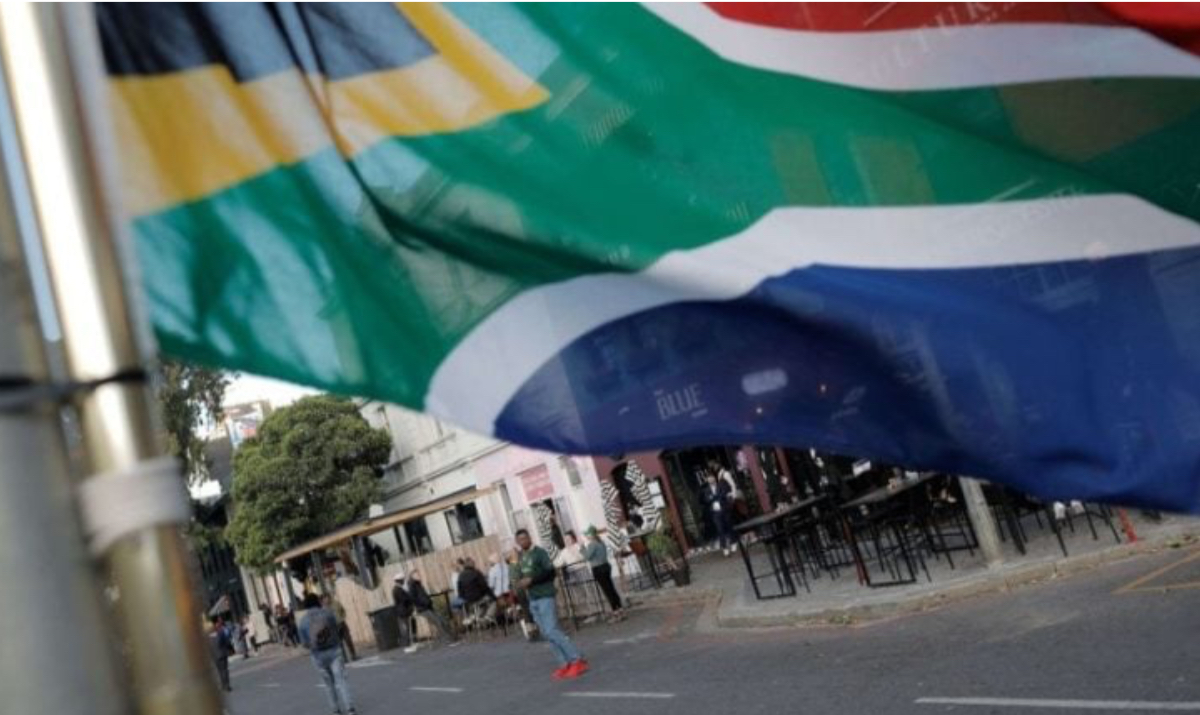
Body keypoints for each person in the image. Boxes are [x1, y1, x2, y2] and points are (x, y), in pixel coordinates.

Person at [514, 528, 588, 679]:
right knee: (547, 634)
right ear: (517, 542)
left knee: (552, 630)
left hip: (545, 596)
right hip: (533, 598)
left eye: (525, 538)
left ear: (529, 538)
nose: (523, 541)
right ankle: (564, 663)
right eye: (520, 539)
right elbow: (520, 576)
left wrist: (532, 580)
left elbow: (551, 572)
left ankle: (576, 659)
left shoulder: (539, 553)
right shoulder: (521, 557)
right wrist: (520, 581)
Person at [298, 593, 357, 715]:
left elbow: (304, 643)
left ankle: (336, 710)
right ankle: (350, 709)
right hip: (334, 651)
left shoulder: (303, 621)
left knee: (329, 684)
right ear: (317, 602)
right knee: (341, 680)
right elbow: (336, 629)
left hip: (318, 656)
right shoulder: (328, 614)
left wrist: (313, 644)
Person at [583, 526, 625, 621]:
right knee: (611, 588)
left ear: (591, 535)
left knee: (607, 591)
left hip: (598, 568)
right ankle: (620, 609)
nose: (586, 536)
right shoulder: (601, 542)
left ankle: (616, 612)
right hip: (606, 566)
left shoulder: (592, 544)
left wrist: (582, 548)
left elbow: (587, 557)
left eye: (587, 534)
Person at [407, 570, 458, 645]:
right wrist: (423, 603)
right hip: (422, 609)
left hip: (428, 606)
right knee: (438, 622)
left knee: (442, 619)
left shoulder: (418, 584)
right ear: (412, 576)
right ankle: (448, 638)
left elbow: (422, 595)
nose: (419, 575)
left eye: (418, 574)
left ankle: (453, 636)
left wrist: (428, 602)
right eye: (417, 575)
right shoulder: (412, 586)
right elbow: (413, 599)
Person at [703, 471, 736, 556]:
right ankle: (724, 548)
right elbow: (707, 500)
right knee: (720, 529)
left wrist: (713, 497)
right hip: (715, 513)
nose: (711, 479)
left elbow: (723, 495)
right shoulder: (706, 490)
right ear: (707, 480)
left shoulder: (720, 485)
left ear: (714, 478)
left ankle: (733, 542)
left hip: (724, 509)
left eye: (712, 477)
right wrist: (715, 496)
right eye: (709, 478)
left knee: (729, 526)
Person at [457, 557, 495, 623]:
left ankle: (476, 616)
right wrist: (492, 595)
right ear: (472, 564)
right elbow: (484, 586)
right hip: (478, 597)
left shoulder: (460, 575)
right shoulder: (476, 573)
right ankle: (488, 616)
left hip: (468, 600)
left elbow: (460, 591)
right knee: (493, 601)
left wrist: (465, 598)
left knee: (482, 604)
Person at [322, 594, 357, 662]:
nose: (326, 600)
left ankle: (353, 655)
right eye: (324, 599)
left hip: (342, 624)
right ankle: (344, 658)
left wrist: (342, 617)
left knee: (348, 639)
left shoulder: (336, 603)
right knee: (339, 644)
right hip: (334, 627)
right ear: (323, 600)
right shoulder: (324, 609)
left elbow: (343, 610)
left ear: (329, 597)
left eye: (327, 598)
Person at [392, 573, 417, 654]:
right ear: (399, 581)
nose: (403, 581)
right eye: (402, 580)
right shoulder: (397, 589)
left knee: (409, 627)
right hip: (403, 612)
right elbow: (404, 600)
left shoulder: (399, 588)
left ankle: (411, 643)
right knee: (406, 629)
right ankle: (407, 646)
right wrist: (410, 598)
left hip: (405, 611)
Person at [208, 616, 233, 692]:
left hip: (214, 655)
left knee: (219, 671)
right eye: (219, 622)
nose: (220, 623)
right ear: (216, 623)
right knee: (224, 670)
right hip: (222, 654)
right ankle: (227, 685)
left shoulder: (208, 634)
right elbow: (226, 642)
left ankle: (223, 685)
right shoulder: (220, 632)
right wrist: (230, 649)